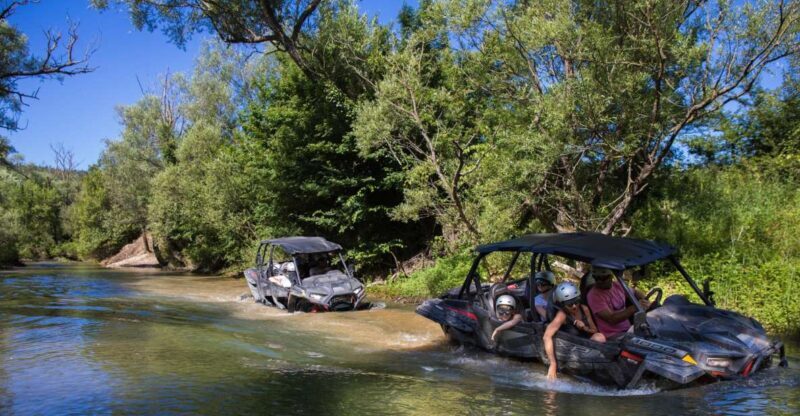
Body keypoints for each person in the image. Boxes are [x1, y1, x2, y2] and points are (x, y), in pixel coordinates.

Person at [544, 282, 606, 381]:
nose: (574, 306)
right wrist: (553, 364)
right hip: (572, 346)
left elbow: (595, 330)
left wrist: (584, 327)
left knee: (600, 337)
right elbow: (547, 336)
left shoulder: (584, 308)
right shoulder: (562, 315)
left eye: (576, 301)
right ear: (563, 304)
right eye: (569, 304)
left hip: (586, 345)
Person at [586, 267, 651, 338]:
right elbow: (612, 319)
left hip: (628, 329)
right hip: (613, 335)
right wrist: (636, 306)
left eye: (603, 278)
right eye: (596, 278)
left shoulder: (618, 285)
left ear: (610, 277)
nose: (599, 282)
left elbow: (635, 292)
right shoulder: (594, 295)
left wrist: (645, 300)